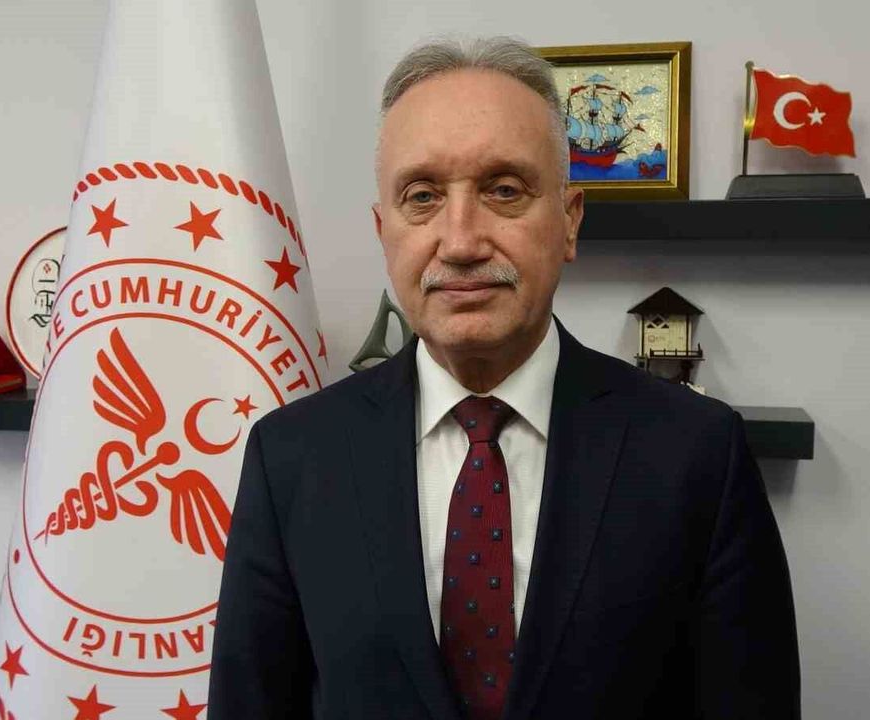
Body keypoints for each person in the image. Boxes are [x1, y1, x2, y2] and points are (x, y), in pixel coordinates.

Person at [209, 36, 800, 719]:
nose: (461, 242)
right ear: (383, 230)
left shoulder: (698, 453)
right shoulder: (291, 457)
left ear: (569, 221)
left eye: (505, 190)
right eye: (422, 196)